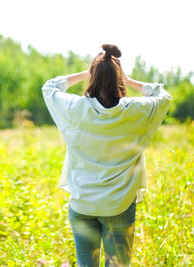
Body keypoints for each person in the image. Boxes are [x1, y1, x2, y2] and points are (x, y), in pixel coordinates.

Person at [41, 44, 172, 266]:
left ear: (92, 77)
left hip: (82, 205)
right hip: (119, 205)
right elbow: (163, 96)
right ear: (118, 78)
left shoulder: (75, 108)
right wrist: (129, 81)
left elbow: (49, 87)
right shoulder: (135, 111)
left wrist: (87, 73)